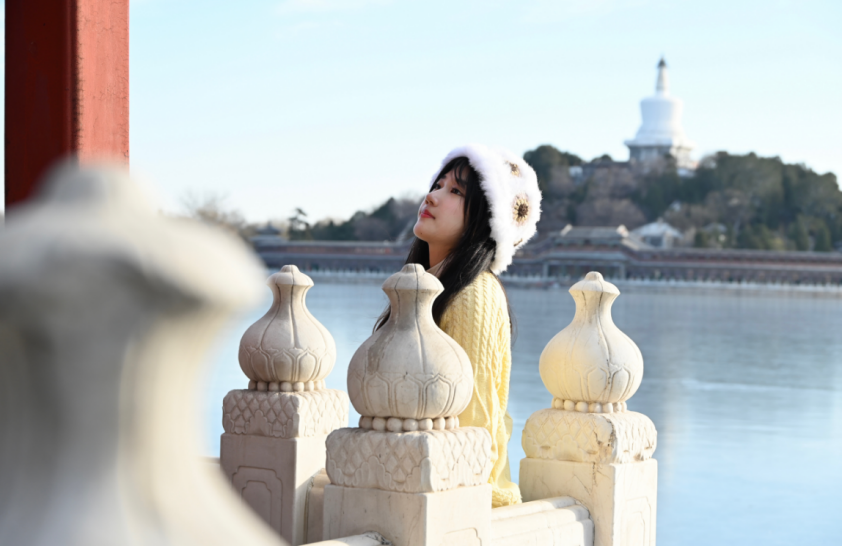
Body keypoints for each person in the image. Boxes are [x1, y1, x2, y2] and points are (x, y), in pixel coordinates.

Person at [375, 144, 542, 508]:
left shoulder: (473, 294)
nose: (432, 196)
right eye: (437, 185)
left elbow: (472, 418)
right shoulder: (427, 285)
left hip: (459, 499)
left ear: (485, 217)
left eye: (455, 191)